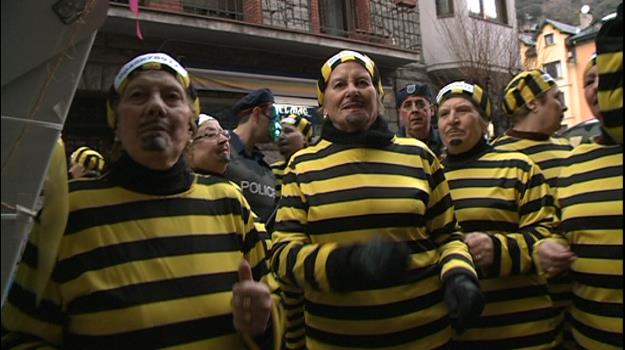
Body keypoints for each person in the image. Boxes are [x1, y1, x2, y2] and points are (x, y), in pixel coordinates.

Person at [1, 52, 282, 349]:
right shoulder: (69, 211)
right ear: (116, 122)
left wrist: (263, 325)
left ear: (190, 125)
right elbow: (19, 335)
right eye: (138, 95)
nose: (156, 107)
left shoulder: (229, 202)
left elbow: (273, 303)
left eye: (172, 97)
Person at [270, 50, 484, 349]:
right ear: (324, 103)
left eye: (362, 82)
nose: (352, 91)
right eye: (339, 84)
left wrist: (460, 274)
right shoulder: (301, 167)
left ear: (378, 95)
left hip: (428, 338)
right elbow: (282, 255)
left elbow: (448, 236)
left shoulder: (420, 157)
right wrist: (347, 263)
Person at [436, 81, 559, 349]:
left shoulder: (519, 167)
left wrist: (497, 249)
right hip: (459, 336)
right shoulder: (430, 177)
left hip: (525, 332)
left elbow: (548, 236)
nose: (452, 120)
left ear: (484, 120)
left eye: (463, 110)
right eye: (444, 114)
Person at [536, 4, 623, 349]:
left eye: (609, 75)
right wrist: (546, 248)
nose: (599, 87)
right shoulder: (574, 163)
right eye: (589, 80)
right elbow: (555, 229)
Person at [493, 69, 575, 346]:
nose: (563, 105)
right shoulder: (497, 156)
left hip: (579, 301)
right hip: (524, 309)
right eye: (556, 97)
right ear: (533, 103)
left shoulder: (571, 151)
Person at [224, 88, 280, 222]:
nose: (276, 125)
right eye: (272, 118)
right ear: (256, 114)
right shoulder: (221, 150)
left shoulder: (265, 167)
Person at [270, 113, 313, 198]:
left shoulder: (316, 171)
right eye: (279, 132)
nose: (281, 136)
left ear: (304, 139)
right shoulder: (271, 172)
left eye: (288, 131)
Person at [396, 82, 443, 157]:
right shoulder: (393, 146)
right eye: (408, 106)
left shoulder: (444, 142)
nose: (414, 110)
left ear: (432, 110)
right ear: (400, 114)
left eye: (420, 104)